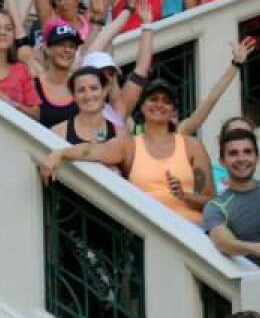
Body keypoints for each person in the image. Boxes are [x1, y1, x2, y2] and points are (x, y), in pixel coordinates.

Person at [41, 78, 213, 224]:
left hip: (191, 229)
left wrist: (184, 196)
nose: (159, 104)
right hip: (151, 231)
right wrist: (60, 153)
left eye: (166, 101)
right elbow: (90, 150)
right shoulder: (129, 145)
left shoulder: (192, 145)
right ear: (143, 105)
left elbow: (210, 201)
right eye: (153, 99)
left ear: (174, 110)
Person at [202, 128, 260, 265]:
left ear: (257, 158)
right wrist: (257, 248)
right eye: (233, 153)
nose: (241, 159)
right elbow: (223, 242)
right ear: (222, 161)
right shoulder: (216, 206)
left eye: (247, 152)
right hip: (250, 278)